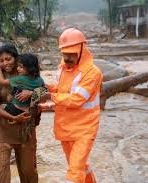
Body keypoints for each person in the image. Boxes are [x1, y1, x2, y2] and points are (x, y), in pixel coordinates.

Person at [43, 28, 103, 183]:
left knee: (74, 172)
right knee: (79, 166)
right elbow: (60, 89)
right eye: (64, 53)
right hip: (66, 127)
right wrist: (42, 88)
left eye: (71, 54)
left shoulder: (92, 73)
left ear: (82, 50)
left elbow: (76, 99)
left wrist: (50, 96)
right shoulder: (62, 67)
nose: (67, 58)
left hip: (84, 129)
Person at [0, 43, 39, 183]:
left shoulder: (28, 73)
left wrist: (31, 93)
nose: (5, 63)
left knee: (29, 172)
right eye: (2, 60)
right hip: (3, 131)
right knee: (1, 174)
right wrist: (13, 117)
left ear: (16, 58)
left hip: (26, 131)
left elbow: (46, 92)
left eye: (8, 59)